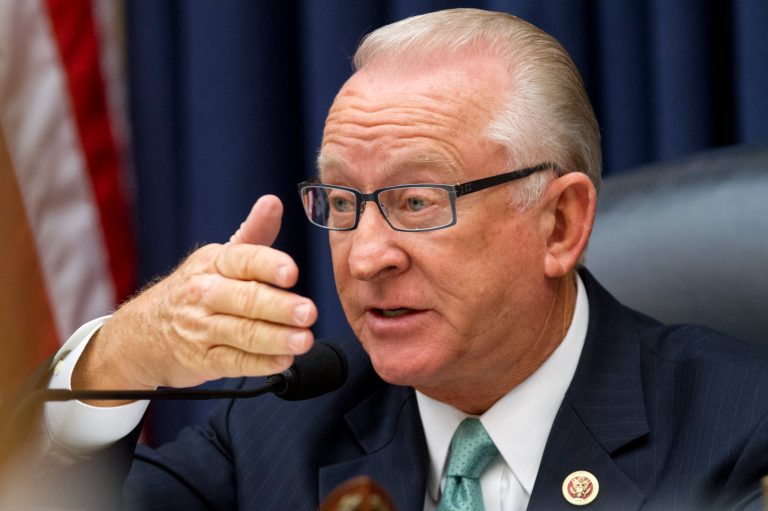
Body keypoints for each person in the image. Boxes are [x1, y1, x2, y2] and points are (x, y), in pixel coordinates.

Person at [39, 8, 768, 511]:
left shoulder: (739, 432)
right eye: (343, 203)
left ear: (559, 222)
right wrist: (120, 359)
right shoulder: (278, 431)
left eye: (417, 202)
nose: (365, 257)